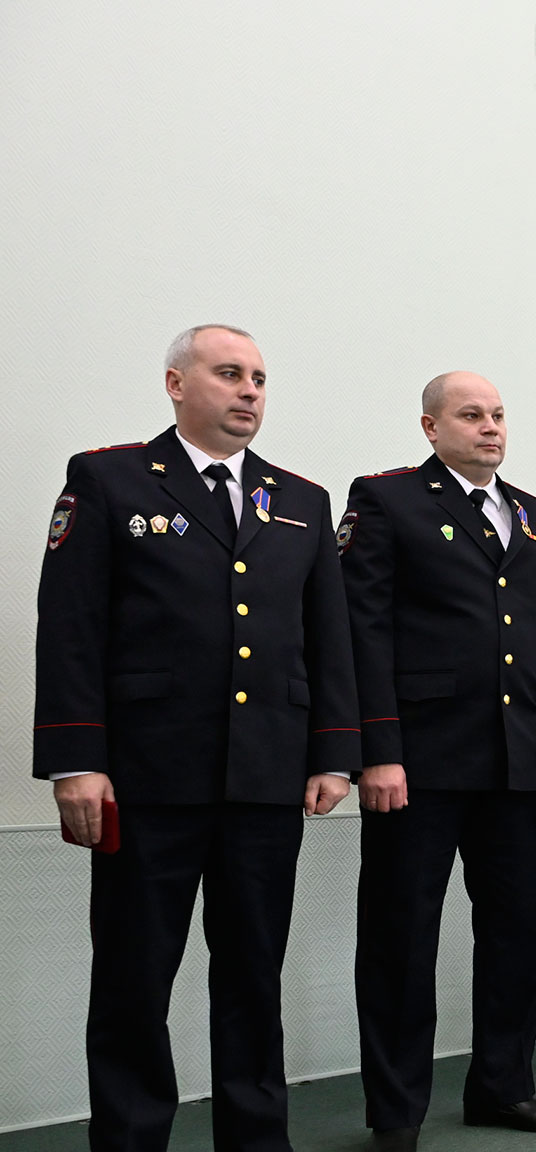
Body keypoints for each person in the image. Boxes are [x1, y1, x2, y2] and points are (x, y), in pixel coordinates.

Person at [34, 324, 356, 1152]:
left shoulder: (301, 500)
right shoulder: (109, 479)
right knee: (135, 978)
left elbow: (328, 639)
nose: (249, 390)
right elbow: (70, 627)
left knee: (253, 975)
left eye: (259, 378)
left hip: (266, 777)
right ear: (177, 384)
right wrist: (76, 761)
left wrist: (333, 752)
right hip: (148, 777)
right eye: (229, 373)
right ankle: (131, 1138)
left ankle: (256, 1138)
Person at [341, 372, 536, 1149]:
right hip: (420, 763)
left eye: (498, 415)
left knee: (513, 934)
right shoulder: (387, 501)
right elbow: (363, 632)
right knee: (401, 938)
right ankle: (396, 1111)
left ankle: (503, 1087)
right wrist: (377, 751)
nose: (490, 427)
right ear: (431, 427)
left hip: (521, 762)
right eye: (471, 415)